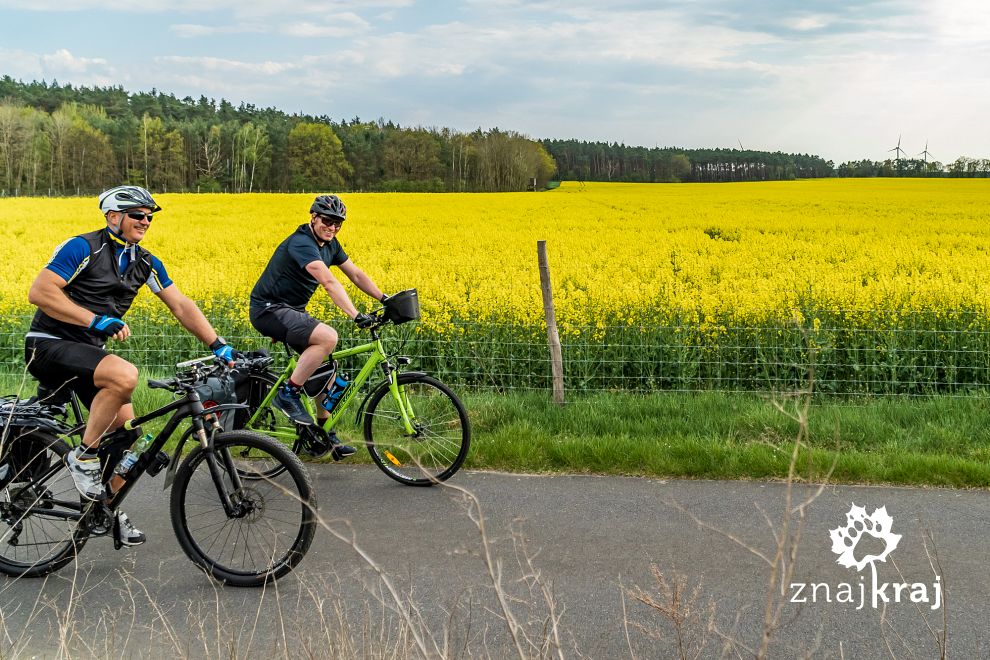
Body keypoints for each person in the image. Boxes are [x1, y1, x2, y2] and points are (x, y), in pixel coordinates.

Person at [25, 185, 239, 547]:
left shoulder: (145, 262)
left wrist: (217, 344)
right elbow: (41, 292)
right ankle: (84, 456)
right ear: (113, 216)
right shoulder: (83, 247)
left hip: (88, 355)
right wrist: (95, 320)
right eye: (137, 214)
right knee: (125, 374)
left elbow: (181, 305)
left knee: (128, 439)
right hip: (50, 346)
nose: (145, 221)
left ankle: (102, 510)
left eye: (149, 216)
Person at [249, 194, 385, 457]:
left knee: (325, 373)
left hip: (291, 311)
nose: (332, 227)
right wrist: (355, 314)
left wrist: (384, 298)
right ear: (313, 217)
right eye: (327, 220)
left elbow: (355, 274)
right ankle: (288, 394)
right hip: (269, 309)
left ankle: (325, 437)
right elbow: (329, 282)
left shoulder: (331, 245)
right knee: (328, 338)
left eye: (338, 223)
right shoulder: (302, 243)